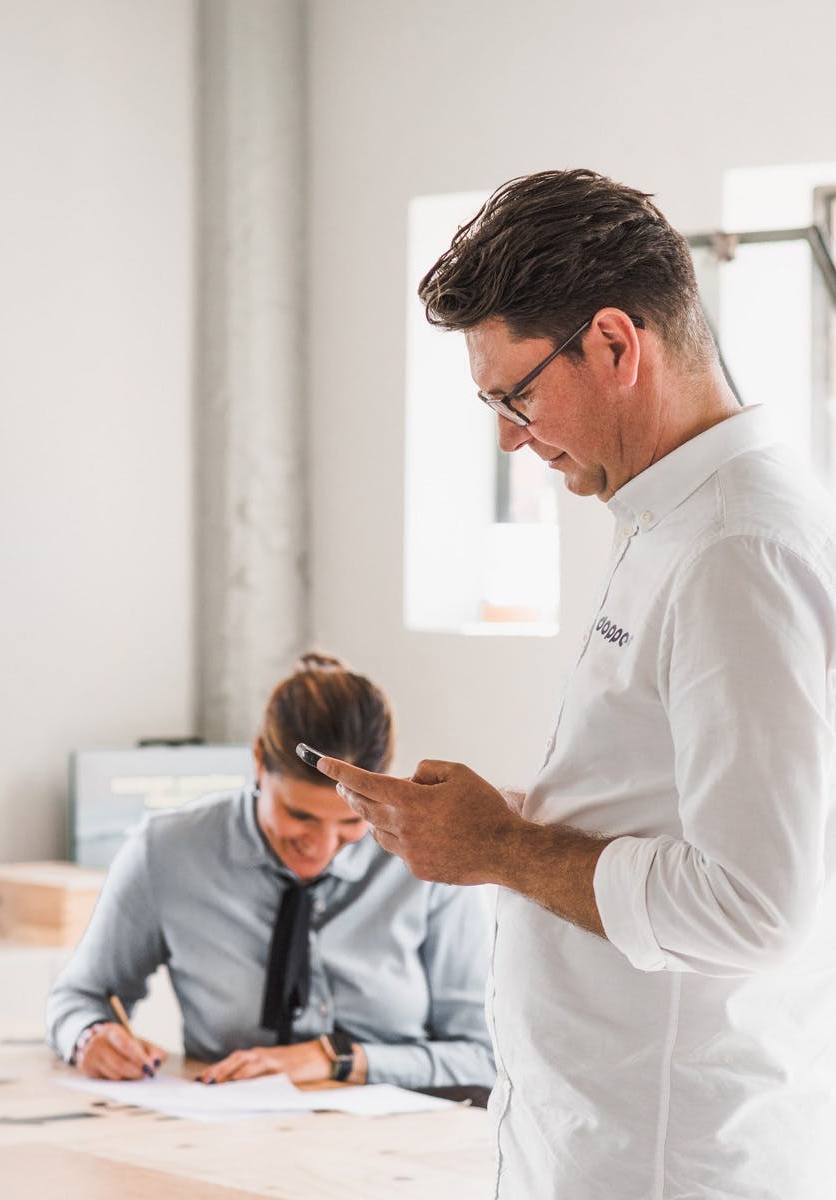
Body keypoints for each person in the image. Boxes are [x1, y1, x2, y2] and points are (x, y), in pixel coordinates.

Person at [316, 171, 836, 1198]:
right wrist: (510, 814)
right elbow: (671, 806)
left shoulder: (737, 548)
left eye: (515, 396)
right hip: (600, 1140)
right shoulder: (673, 520)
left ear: (612, 342)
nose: (509, 436)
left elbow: (754, 909)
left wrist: (501, 847)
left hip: (668, 1159)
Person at [46, 653, 494, 1091]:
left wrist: (338, 1060)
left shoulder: (431, 866)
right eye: (299, 816)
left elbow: (485, 1057)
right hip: (225, 1137)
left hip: (404, 1147)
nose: (319, 847)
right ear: (259, 763)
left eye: (350, 822)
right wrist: (89, 1035)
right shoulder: (166, 851)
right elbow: (79, 997)